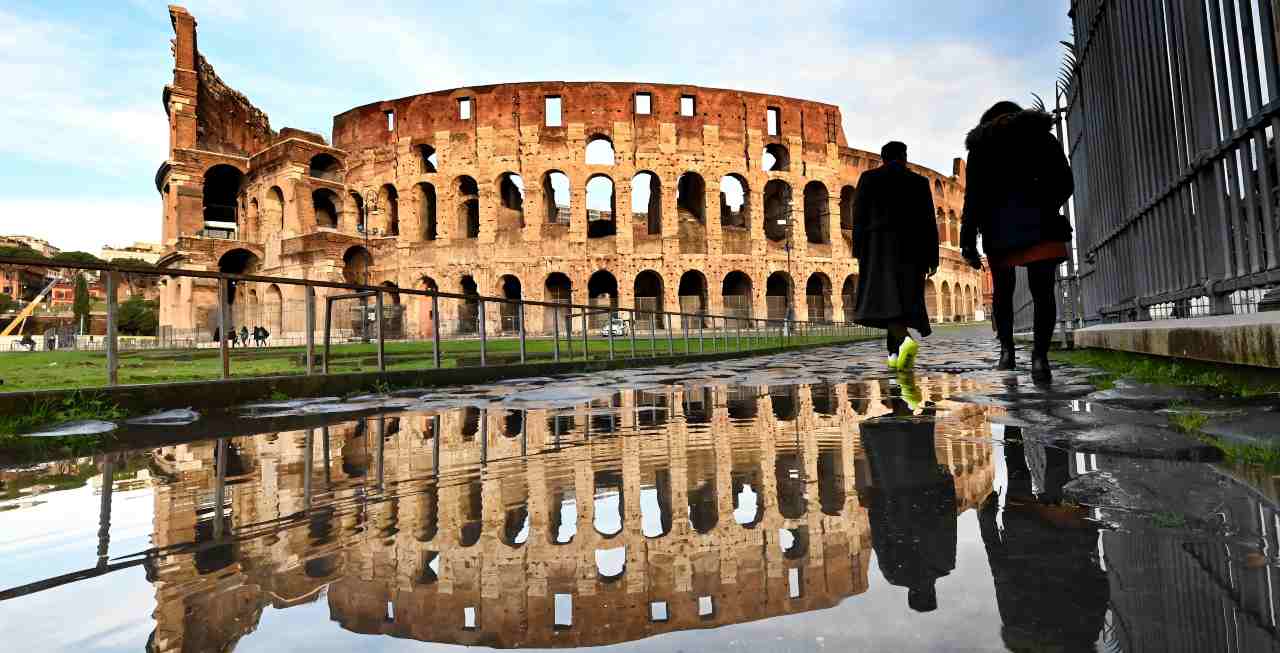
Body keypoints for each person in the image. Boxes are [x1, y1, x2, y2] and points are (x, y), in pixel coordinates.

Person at [959, 101, 1074, 383]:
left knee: (1002, 293)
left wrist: (968, 241)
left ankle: (1007, 353)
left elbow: (972, 198)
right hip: (1042, 225)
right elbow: (1065, 182)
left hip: (999, 229)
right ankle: (1039, 359)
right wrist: (1045, 204)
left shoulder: (981, 148)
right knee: (1043, 293)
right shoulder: (1042, 137)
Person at [852, 141, 939, 370]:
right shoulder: (919, 182)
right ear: (904, 157)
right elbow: (929, 221)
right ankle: (894, 357)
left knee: (885, 301)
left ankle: (904, 341)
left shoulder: (869, 178)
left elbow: (858, 216)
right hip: (913, 250)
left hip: (878, 248)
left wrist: (858, 249)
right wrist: (932, 257)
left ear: (883, 158)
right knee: (903, 302)